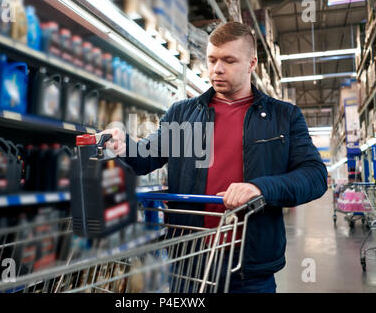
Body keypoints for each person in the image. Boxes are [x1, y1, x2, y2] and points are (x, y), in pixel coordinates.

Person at [102, 21, 328, 293]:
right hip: (189, 263)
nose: (217, 69)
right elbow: (145, 158)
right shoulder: (183, 114)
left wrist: (260, 188)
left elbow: (314, 176)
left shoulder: (284, 116)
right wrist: (124, 144)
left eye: (229, 60)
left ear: (251, 64)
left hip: (249, 268)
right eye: (212, 60)